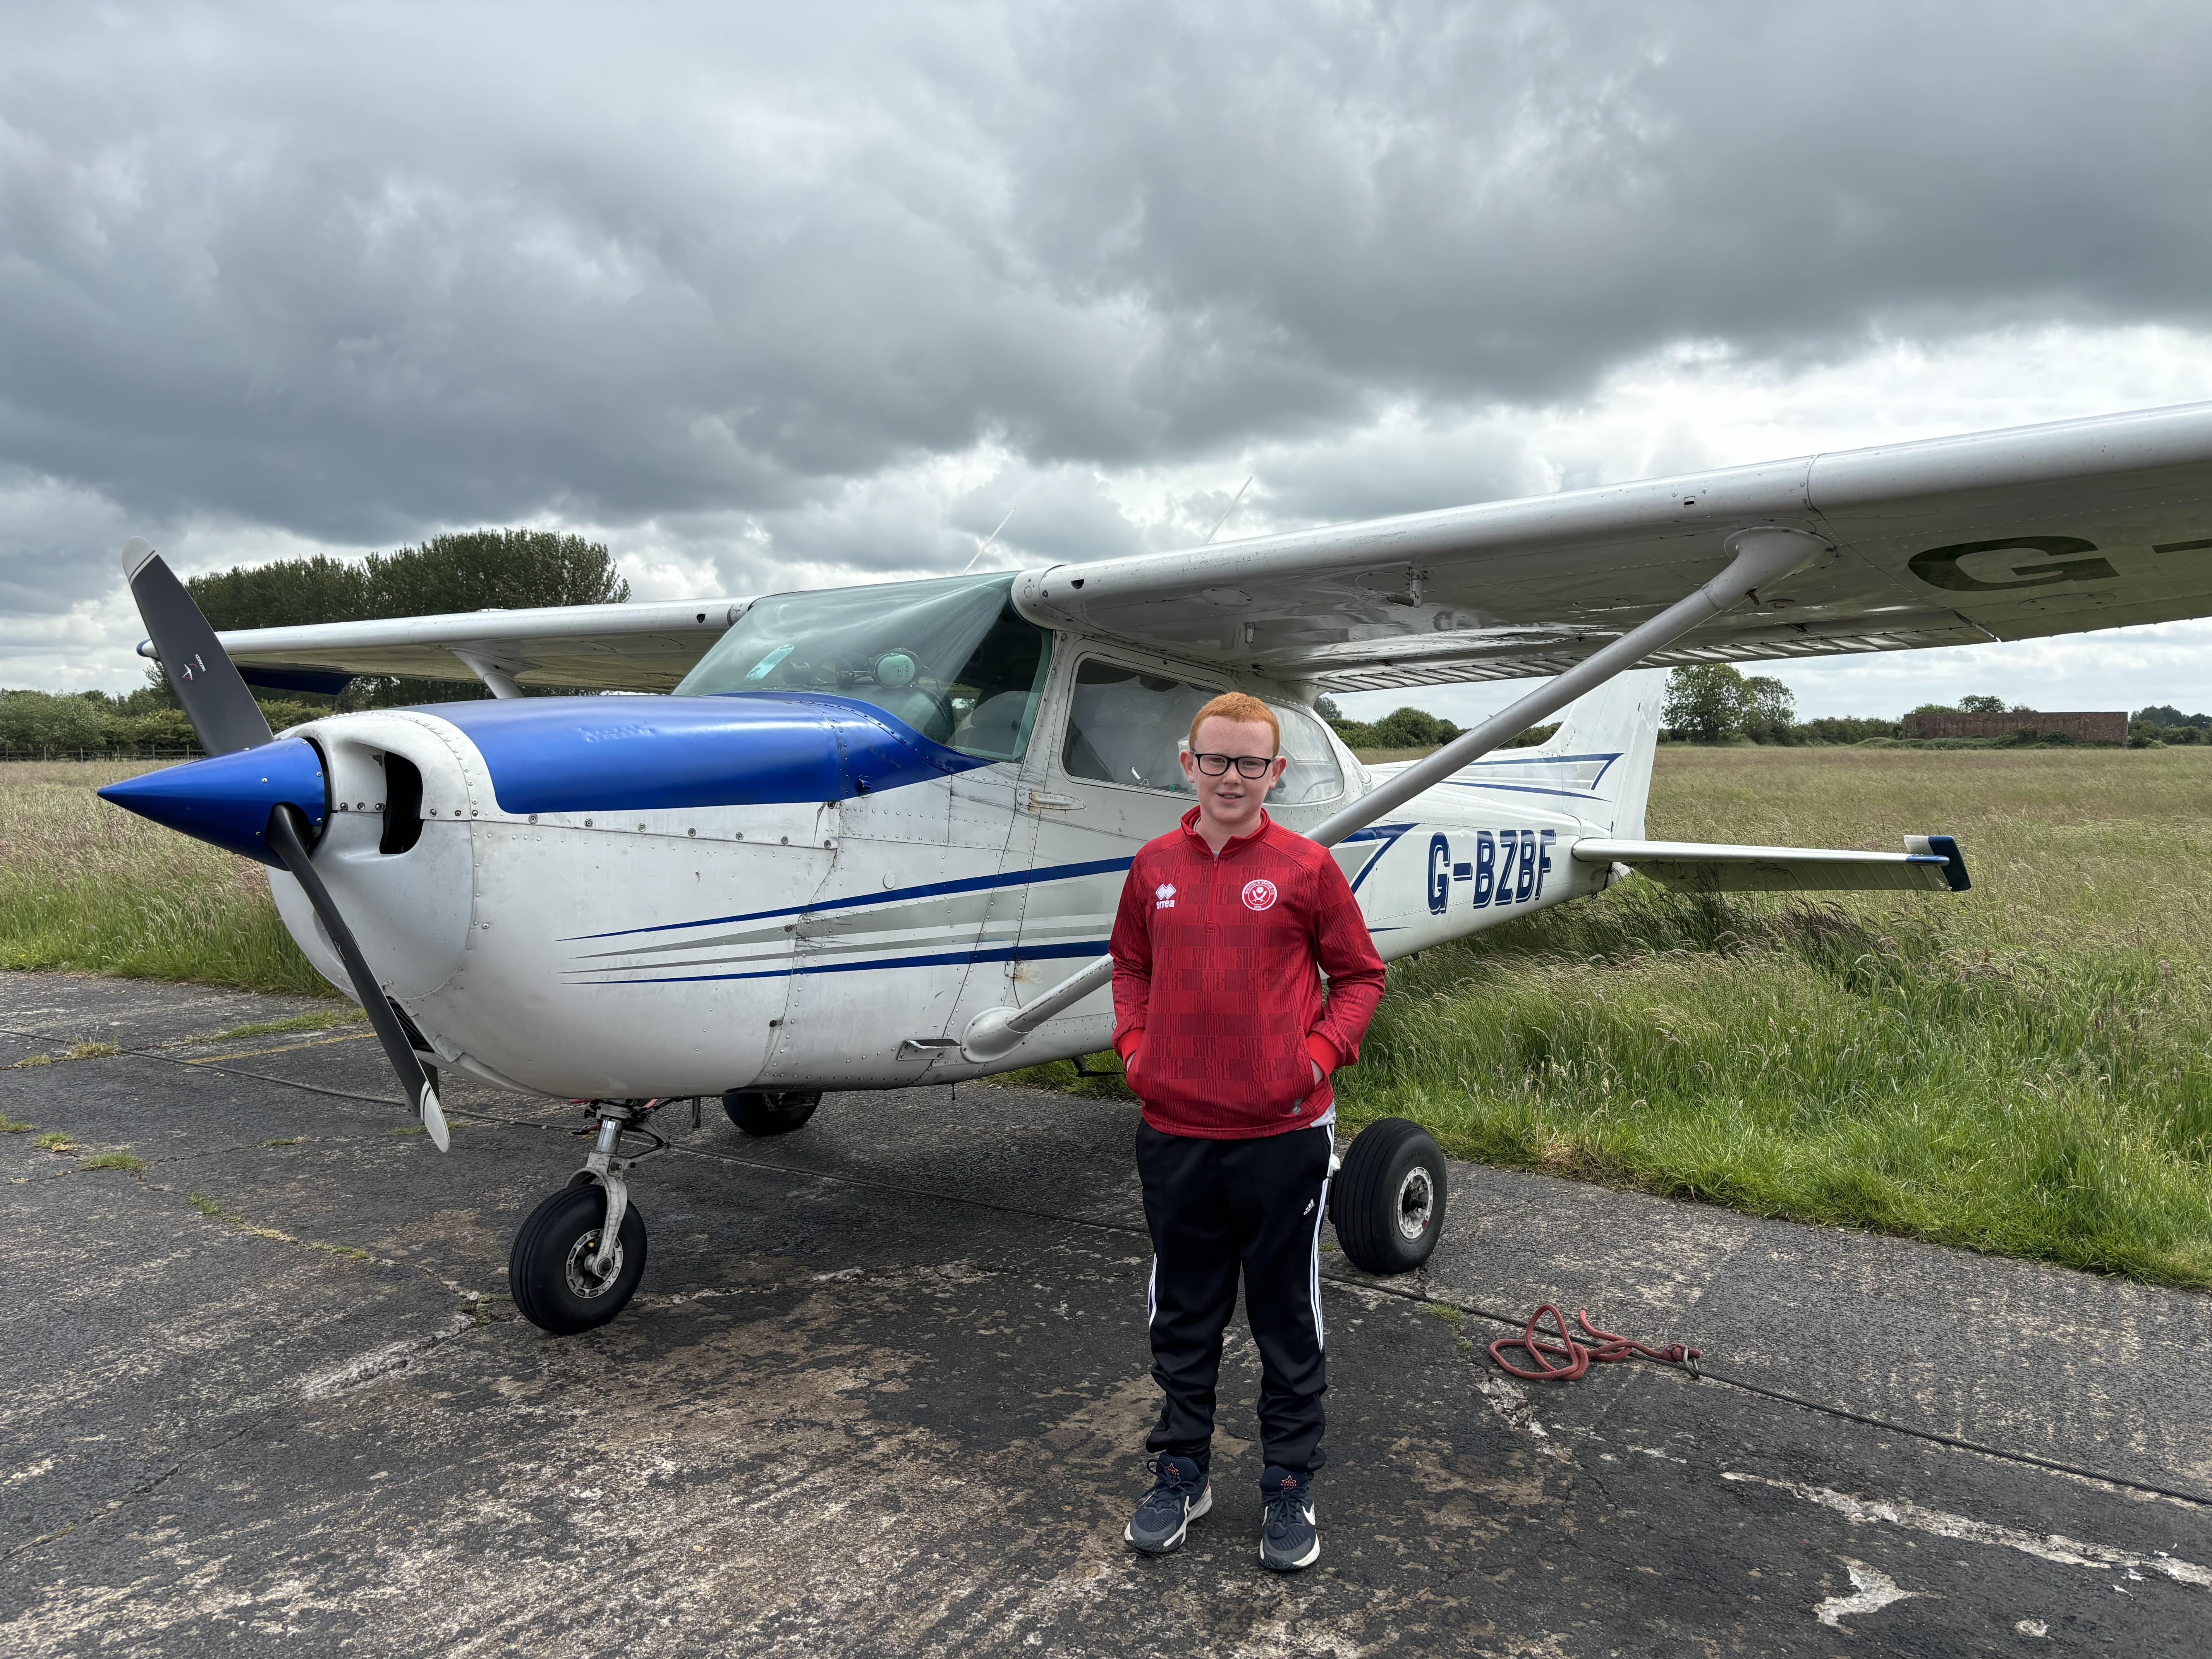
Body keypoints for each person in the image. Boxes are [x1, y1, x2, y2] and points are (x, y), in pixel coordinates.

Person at [1108, 691, 1387, 1572]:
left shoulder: (1307, 867)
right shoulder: (1154, 864)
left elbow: (1361, 977)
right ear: (1188, 765)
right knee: (1183, 1314)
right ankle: (1183, 1470)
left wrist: (1314, 1059)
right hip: (1175, 1128)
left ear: (1277, 772)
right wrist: (1135, 1049)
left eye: (1251, 763)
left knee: (1285, 1316)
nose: (1233, 777)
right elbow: (1130, 965)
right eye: (1216, 760)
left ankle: (1289, 1485)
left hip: (1283, 1136)